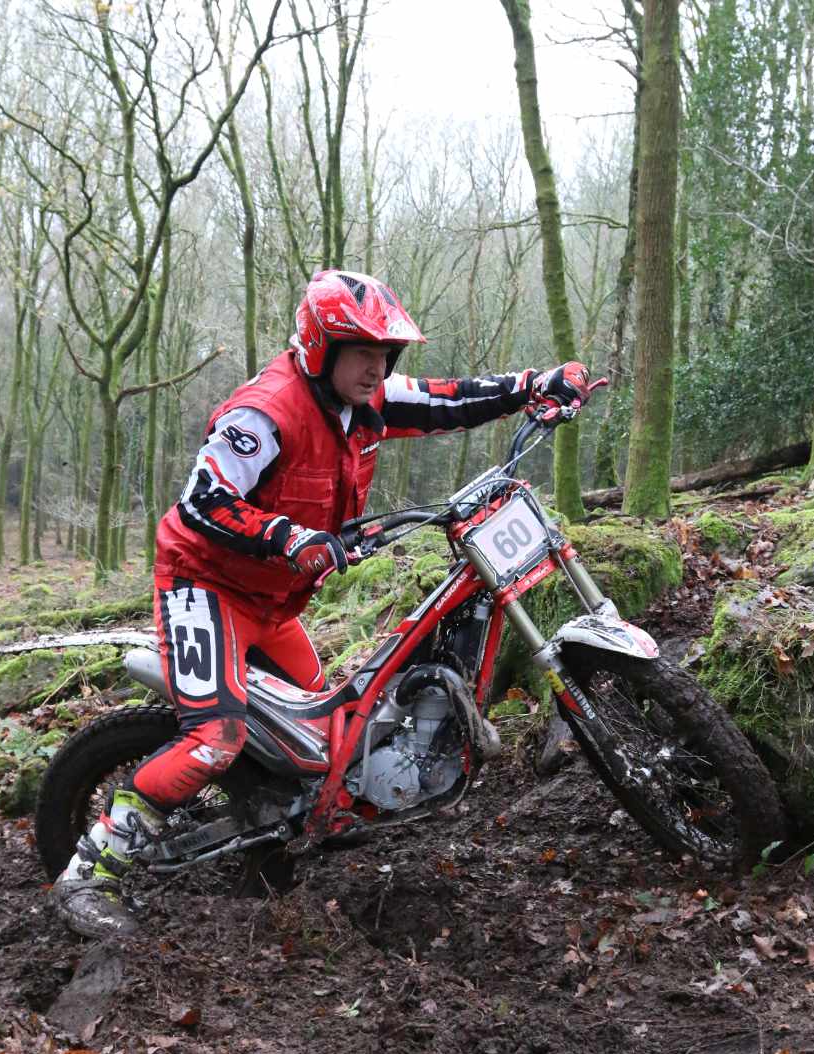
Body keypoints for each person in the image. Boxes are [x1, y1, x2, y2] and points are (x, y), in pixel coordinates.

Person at [51, 269, 591, 937]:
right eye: (362, 352)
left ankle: (281, 833)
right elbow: (202, 502)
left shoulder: (365, 400)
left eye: (385, 353)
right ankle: (90, 871)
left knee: (326, 744)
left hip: (272, 605)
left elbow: (448, 398)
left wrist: (534, 385)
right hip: (204, 587)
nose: (377, 367)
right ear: (321, 347)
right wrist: (289, 536)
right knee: (214, 739)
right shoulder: (264, 414)